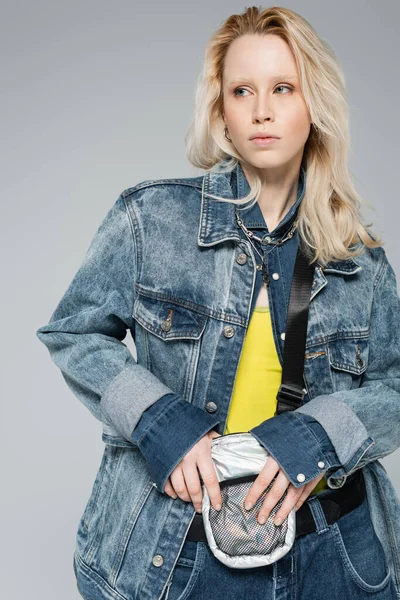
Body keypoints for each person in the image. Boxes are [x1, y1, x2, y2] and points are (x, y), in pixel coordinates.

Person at [36, 6, 400, 600]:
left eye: (284, 88)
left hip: (334, 556)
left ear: (316, 107)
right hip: (177, 552)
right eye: (242, 91)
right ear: (221, 112)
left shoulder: (361, 260)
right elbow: (75, 334)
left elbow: (395, 385)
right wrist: (159, 421)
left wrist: (317, 438)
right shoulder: (149, 219)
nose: (262, 110)